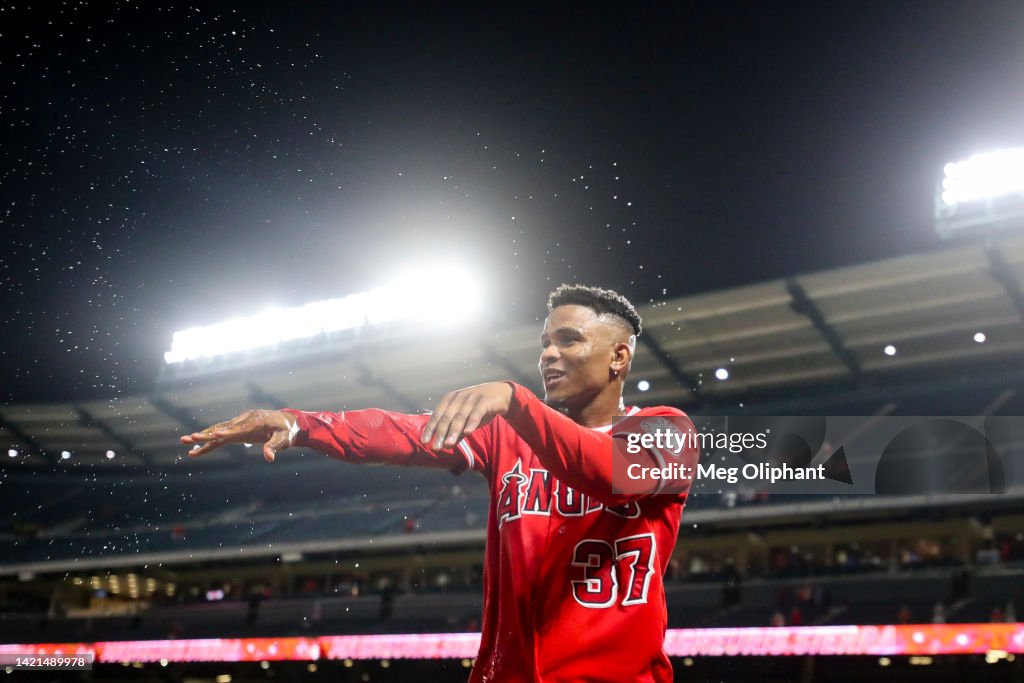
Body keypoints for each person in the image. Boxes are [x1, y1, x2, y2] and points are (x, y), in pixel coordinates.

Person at [181, 284, 699, 682]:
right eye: (544, 342)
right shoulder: (506, 436)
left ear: (618, 357)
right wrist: (299, 426)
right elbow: (402, 433)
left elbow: (607, 470)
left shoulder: (667, 430)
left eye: (569, 340)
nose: (548, 354)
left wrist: (517, 403)